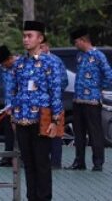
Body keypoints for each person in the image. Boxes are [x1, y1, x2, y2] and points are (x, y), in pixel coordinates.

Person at [11, 21, 62, 201]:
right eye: (24, 36)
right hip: (23, 119)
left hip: (42, 120)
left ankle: (44, 198)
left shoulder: (50, 62)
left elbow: (55, 92)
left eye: (29, 36)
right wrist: (13, 116)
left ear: (40, 38)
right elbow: (14, 90)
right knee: (29, 165)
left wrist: (56, 121)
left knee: (42, 164)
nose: (25, 39)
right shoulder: (19, 63)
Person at [67, 27, 112, 172]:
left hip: (92, 100)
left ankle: (98, 162)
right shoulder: (80, 56)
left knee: (95, 132)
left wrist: (98, 87)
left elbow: (109, 76)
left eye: (76, 42)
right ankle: (79, 161)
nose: (75, 45)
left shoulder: (98, 56)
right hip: (78, 99)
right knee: (79, 133)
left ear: (83, 40)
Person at [40, 40, 69, 169]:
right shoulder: (34, 60)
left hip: (54, 101)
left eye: (42, 46)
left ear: (47, 46)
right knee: (41, 132)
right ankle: (43, 161)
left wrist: (54, 92)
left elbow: (64, 81)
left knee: (56, 132)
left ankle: (56, 162)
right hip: (40, 103)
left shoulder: (56, 61)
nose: (40, 49)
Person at [0, 45, 18, 167]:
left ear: (9, 58)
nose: (3, 66)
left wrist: (14, 107)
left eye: (4, 63)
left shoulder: (20, 66)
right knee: (8, 134)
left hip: (20, 107)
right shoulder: (5, 70)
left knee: (20, 135)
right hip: (7, 107)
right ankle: (7, 157)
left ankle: (22, 158)